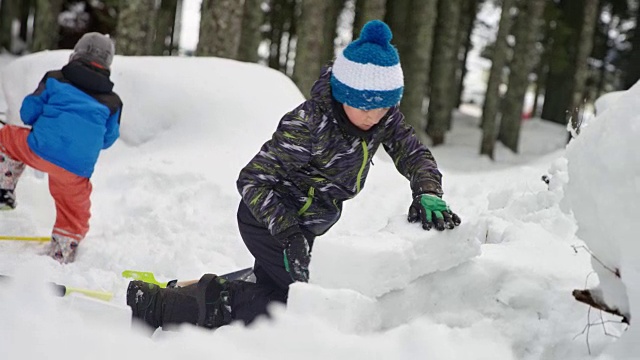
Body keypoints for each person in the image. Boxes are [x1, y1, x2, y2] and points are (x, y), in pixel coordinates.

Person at [126, 20, 461, 332]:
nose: (374, 115)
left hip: (307, 225)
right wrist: (288, 234)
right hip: (269, 221)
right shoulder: (309, 125)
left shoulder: (381, 117)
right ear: (344, 93)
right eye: (364, 105)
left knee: (291, 286)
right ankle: (160, 305)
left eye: (384, 106)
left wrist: (428, 190)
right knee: (294, 303)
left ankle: (194, 288)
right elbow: (252, 181)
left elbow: (413, 152)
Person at [0, 32, 122, 263]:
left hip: (39, 149)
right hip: (75, 169)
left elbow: (28, 113)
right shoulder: (113, 102)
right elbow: (108, 139)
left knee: (6, 138)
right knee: (73, 210)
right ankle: (62, 251)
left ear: (76, 53)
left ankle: (3, 189)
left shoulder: (55, 79)